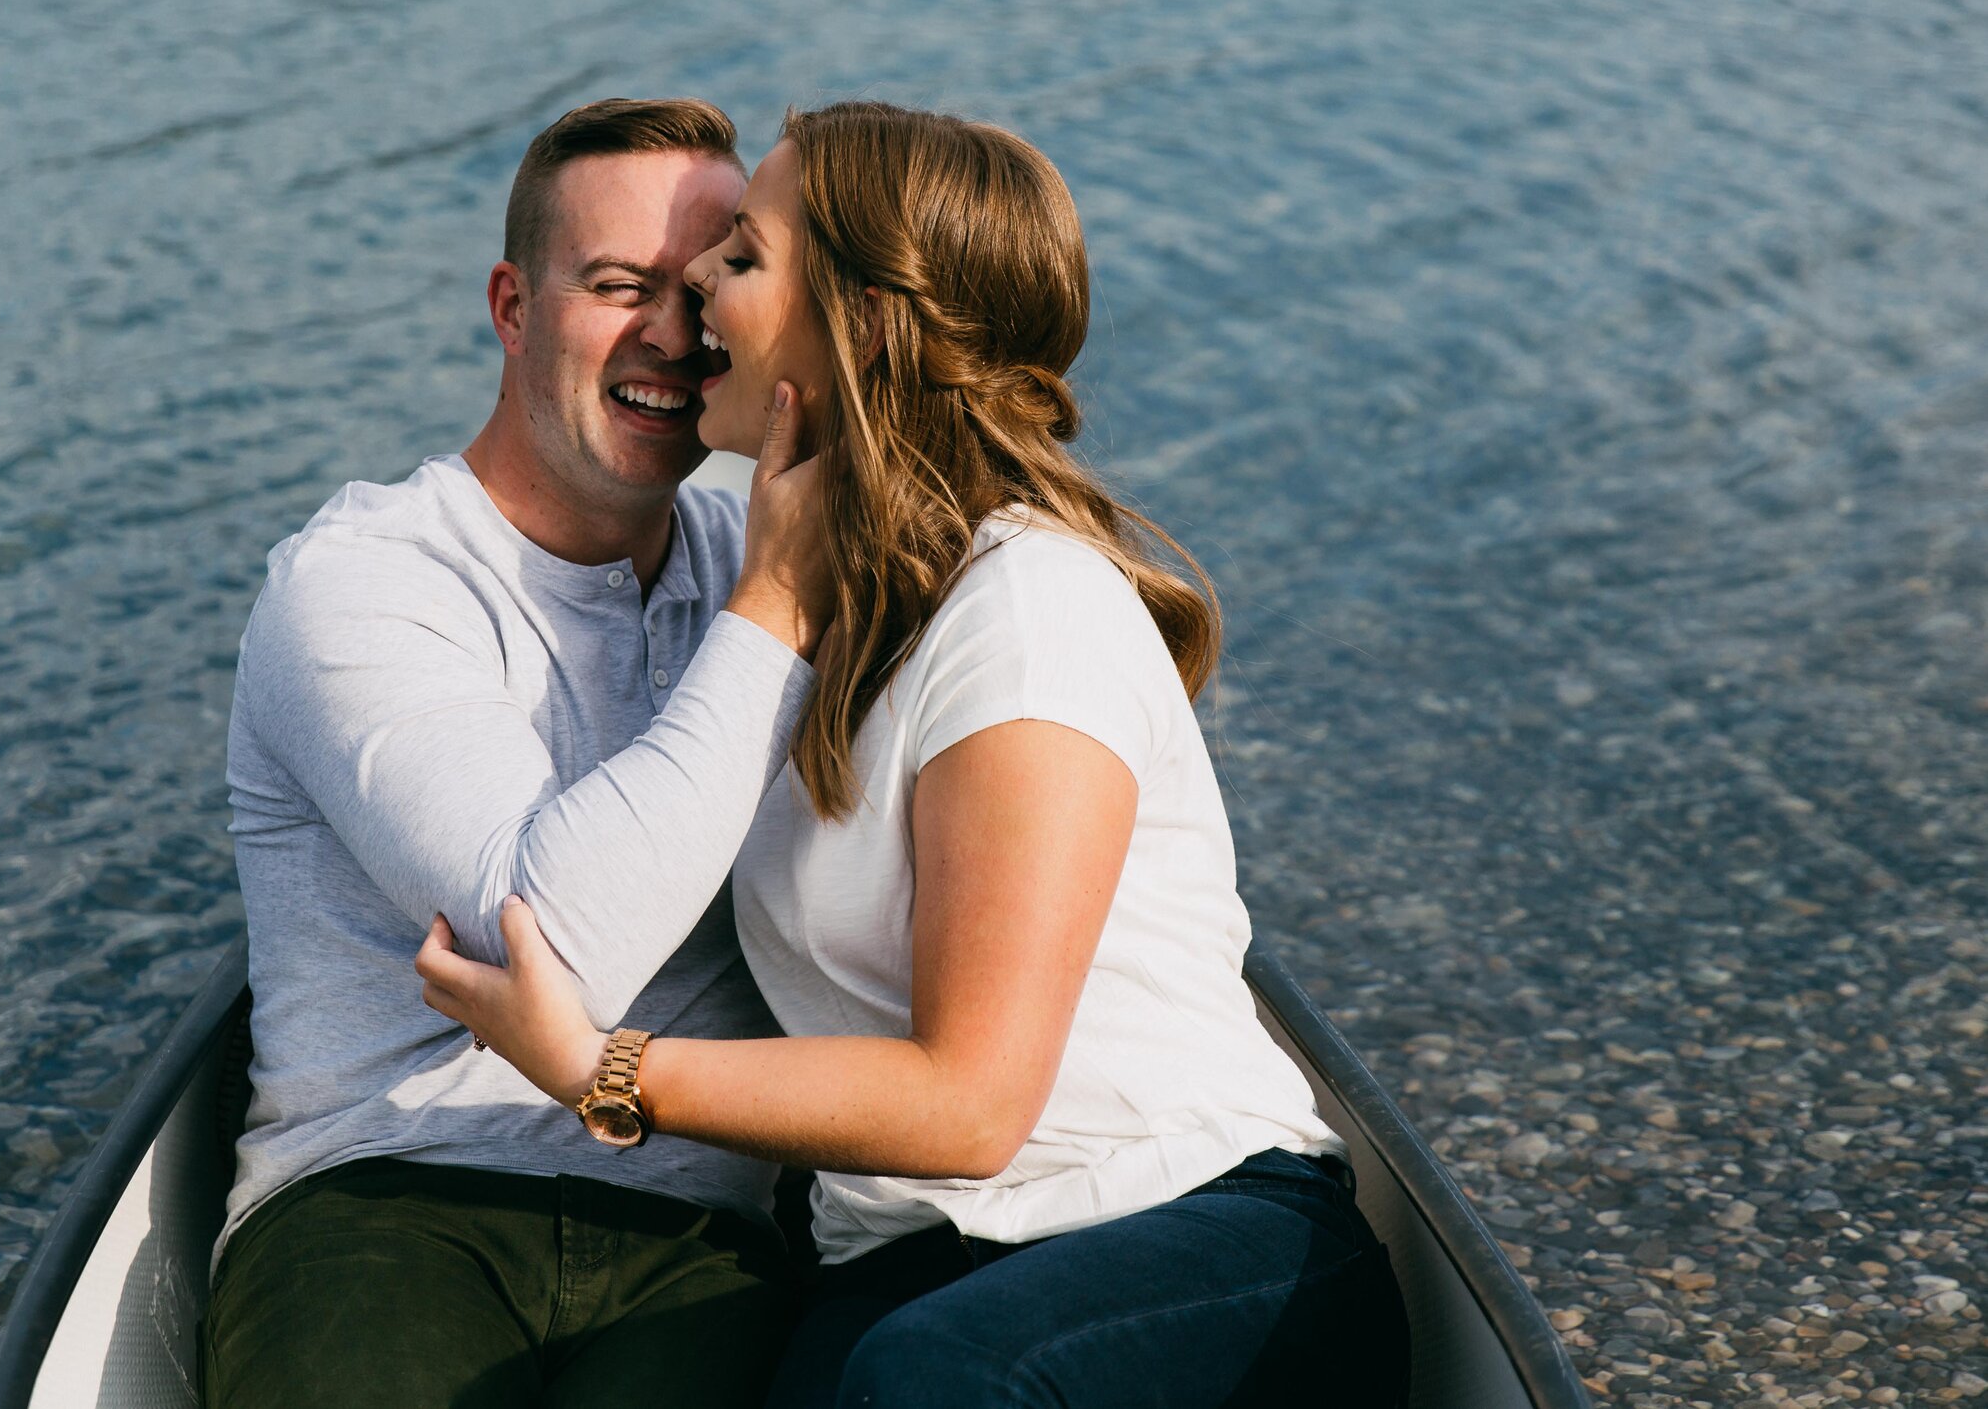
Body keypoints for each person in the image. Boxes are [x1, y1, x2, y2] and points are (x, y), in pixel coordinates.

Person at [416, 101, 1411, 1408]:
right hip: (912, 1268)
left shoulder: (1025, 609)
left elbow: (972, 1104)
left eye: (743, 257)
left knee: (922, 1380)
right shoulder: (823, 615)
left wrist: (605, 1071)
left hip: (1179, 1226)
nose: (697, 284)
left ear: (862, 323)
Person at [206, 98, 841, 1409]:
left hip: (700, 1233)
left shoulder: (765, 558)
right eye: (618, 287)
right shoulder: (366, 581)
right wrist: (776, 608)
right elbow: (549, 948)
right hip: (383, 1198)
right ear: (512, 304)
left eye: (708, 282)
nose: (671, 334)